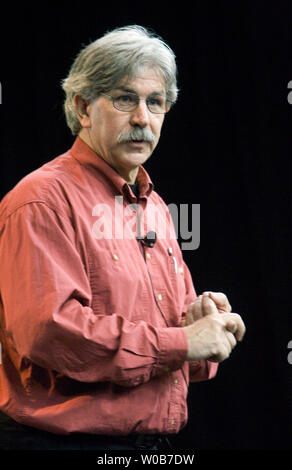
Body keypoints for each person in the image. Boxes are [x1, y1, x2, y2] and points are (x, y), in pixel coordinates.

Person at [0, 25, 245, 451]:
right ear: (82, 107)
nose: (142, 118)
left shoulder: (154, 207)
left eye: (156, 103)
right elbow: (50, 333)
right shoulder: (41, 200)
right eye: (125, 98)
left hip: (151, 448)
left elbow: (174, 354)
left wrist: (204, 326)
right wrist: (183, 341)